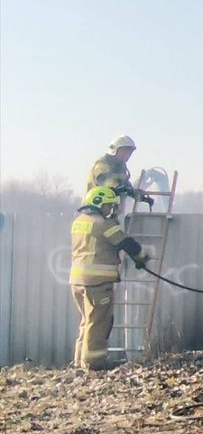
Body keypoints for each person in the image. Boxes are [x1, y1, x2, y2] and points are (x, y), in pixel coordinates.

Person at [68, 186, 150, 370]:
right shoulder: (103, 224)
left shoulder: (79, 222)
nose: (110, 210)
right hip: (97, 282)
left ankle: (80, 361)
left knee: (87, 321)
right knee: (99, 322)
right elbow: (126, 243)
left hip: (77, 280)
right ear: (98, 204)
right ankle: (94, 363)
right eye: (108, 206)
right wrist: (142, 257)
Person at [87, 135, 154, 207]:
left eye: (129, 153)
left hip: (108, 208)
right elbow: (104, 179)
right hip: (93, 208)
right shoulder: (102, 164)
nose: (127, 155)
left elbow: (127, 187)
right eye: (124, 152)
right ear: (114, 150)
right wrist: (117, 186)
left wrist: (140, 196)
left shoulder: (121, 168)